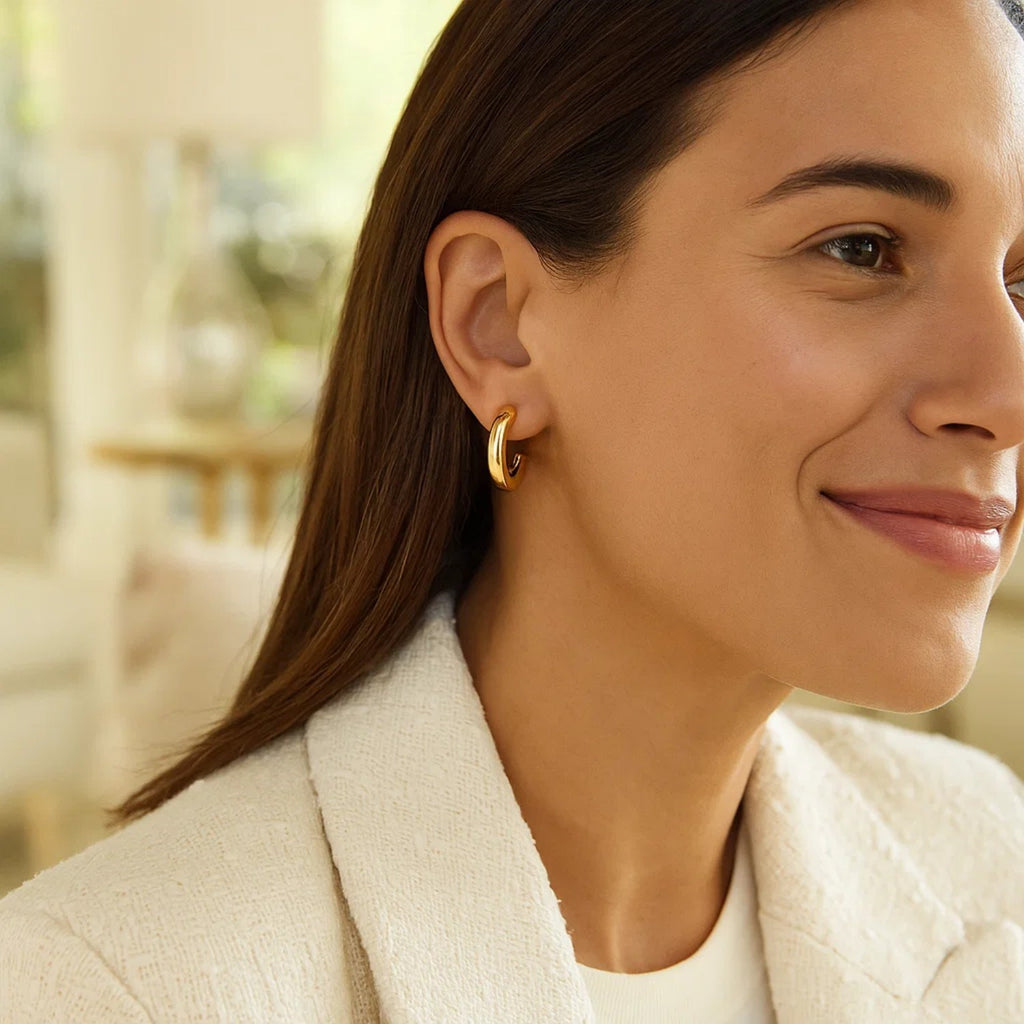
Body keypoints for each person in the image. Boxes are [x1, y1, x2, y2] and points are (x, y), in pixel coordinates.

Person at [3, 0, 1024, 1019]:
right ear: (496, 324)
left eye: (1022, 279)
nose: (1004, 394)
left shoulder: (985, 860)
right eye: (859, 249)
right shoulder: (113, 983)